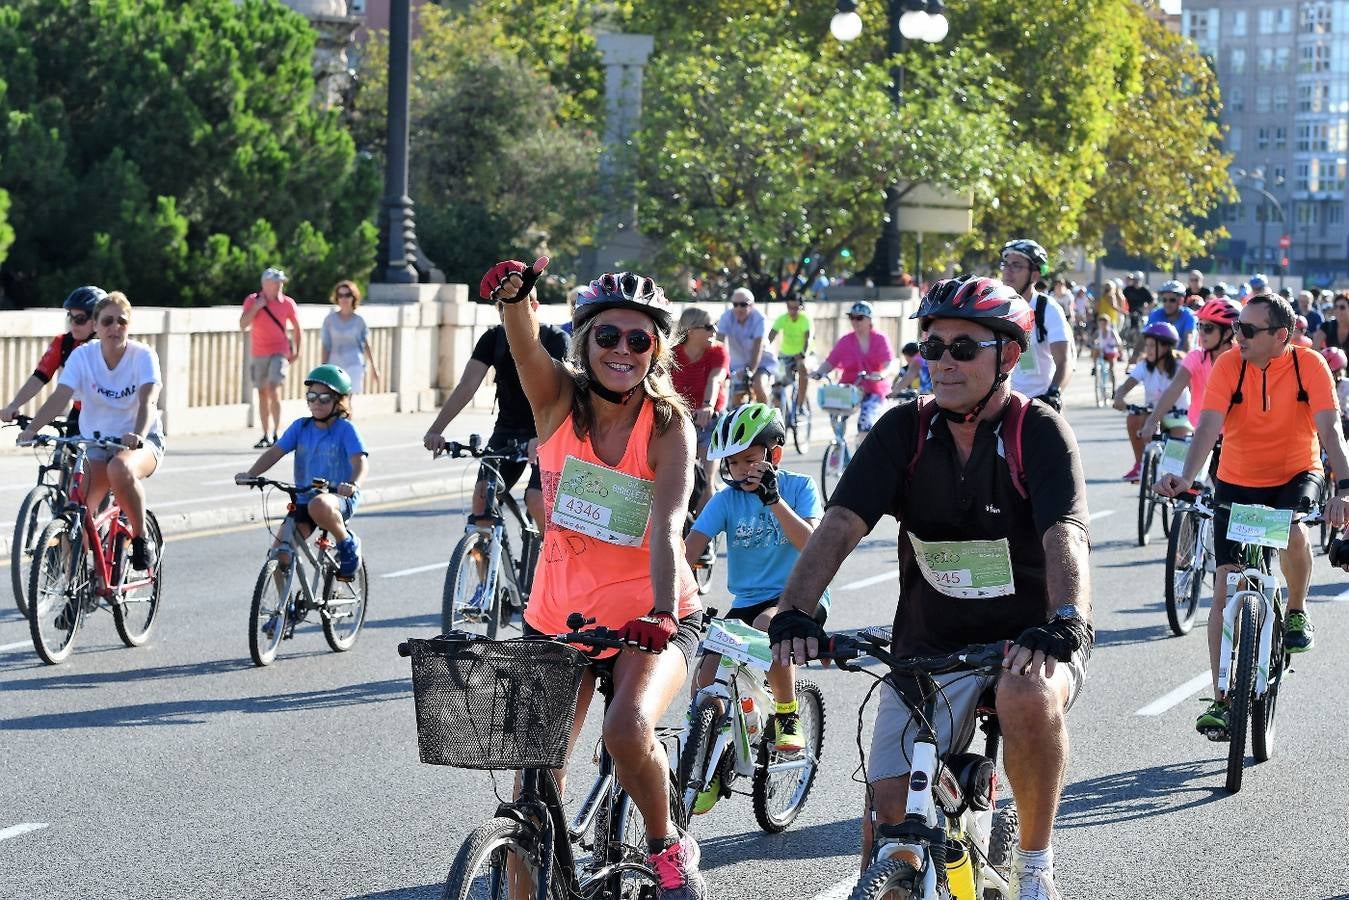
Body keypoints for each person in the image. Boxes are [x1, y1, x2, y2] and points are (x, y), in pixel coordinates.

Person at [769, 274, 1091, 900]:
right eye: (931, 346)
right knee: (893, 811)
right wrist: (795, 612)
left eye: (963, 348)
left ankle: (1035, 868)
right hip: (927, 642)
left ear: (1009, 357)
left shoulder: (1039, 431)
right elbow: (838, 526)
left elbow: (1066, 534)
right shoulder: (902, 431)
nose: (942, 362)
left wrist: (1065, 618)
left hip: (1028, 640)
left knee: (1027, 696)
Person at [484, 258, 705, 900]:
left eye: (639, 339)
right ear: (585, 341)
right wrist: (517, 299)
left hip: (652, 619)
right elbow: (524, 345)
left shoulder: (668, 426)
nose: (622, 351)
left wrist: (663, 612)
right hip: (560, 620)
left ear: (657, 348)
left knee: (626, 728)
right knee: (533, 790)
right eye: (608, 336)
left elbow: (667, 527)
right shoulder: (557, 401)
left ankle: (666, 845)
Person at [1155, 293, 1349, 738]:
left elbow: (1330, 430)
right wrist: (1186, 476)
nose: (1237, 336)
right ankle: (1222, 700)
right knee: (1224, 587)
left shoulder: (1309, 366)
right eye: (1236, 327)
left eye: (1248, 330)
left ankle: (1296, 611)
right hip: (1237, 479)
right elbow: (1208, 427)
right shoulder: (1228, 365)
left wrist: (1347, 487)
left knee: (1295, 528)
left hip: (1295, 474)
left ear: (1281, 336)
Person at [682, 403, 826, 811]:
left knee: (768, 625)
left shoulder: (798, 488)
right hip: (745, 600)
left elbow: (812, 548)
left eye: (750, 460)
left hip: (798, 595)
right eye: (733, 462)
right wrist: (675, 598)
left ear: (773, 455)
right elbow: (688, 552)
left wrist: (775, 501)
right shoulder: (726, 501)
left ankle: (786, 713)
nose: (741, 470)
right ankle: (705, 759)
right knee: (707, 671)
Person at [17, 292, 165, 572]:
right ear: (95, 326)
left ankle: (141, 538)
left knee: (120, 470)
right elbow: (60, 397)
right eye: (107, 321)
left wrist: (137, 435)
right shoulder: (82, 356)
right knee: (78, 511)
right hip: (95, 443)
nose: (114, 327)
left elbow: (148, 401)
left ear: (129, 326)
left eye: (121, 321)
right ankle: (74, 589)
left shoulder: (143, 356)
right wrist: (32, 430)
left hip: (140, 441)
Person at [423, 291, 568, 530]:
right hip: (508, 429)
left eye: (516, 307)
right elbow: (467, 386)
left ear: (534, 306)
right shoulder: (493, 339)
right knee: (482, 502)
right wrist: (436, 430)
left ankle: (552, 559)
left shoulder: (555, 339)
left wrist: (543, 438)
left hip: (549, 429)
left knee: (536, 499)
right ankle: (483, 561)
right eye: (503, 307)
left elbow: (566, 396)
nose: (508, 314)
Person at [234, 365, 366, 578]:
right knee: (278, 555)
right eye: (311, 396)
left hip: (338, 499)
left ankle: (347, 543)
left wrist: (353, 484)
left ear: (339, 401)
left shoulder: (345, 430)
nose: (316, 403)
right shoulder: (301, 427)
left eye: (324, 398)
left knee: (319, 504)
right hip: (306, 499)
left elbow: (360, 462)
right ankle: (281, 610)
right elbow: (275, 452)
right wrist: (252, 474)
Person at [1140, 298, 1242, 460]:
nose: (1201, 333)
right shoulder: (1196, 357)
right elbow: (1174, 389)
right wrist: (1152, 421)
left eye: (1208, 328)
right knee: (1181, 479)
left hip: (1234, 437)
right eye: (1199, 325)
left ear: (1228, 332)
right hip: (1200, 432)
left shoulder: (1242, 359)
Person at [1, 285, 102, 431]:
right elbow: (39, 377)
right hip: (79, 412)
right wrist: (13, 405)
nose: (73, 324)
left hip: (109, 416)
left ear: (98, 320)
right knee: (64, 450)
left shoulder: (108, 347)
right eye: (70, 318)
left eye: (80, 319)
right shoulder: (63, 343)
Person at [1113, 321, 1191, 482]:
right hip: (1152, 414)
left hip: (1179, 416)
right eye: (1146, 346)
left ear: (1166, 347)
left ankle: (1174, 479)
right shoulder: (1143, 366)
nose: (1146, 350)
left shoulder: (1181, 365)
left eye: (1150, 346)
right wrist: (1119, 397)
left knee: (1174, 460)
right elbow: (1125, 386)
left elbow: (1196, 389)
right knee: (1133, 417)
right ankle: (1140, 463)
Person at [1001, 239, 1072, 411]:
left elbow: (1064, 361)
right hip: (1003, 404)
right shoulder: (997, 307)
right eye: (1006, 264)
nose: (1008, 271)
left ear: (1034, 275)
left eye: (1016, 266)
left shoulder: (1048, 309)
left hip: (1040, 404)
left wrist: (1054, 394)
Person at [672, 306, 729, 512]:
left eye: (715, 325)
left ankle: (705, 537)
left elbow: (715, 379)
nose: (714, 330)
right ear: (691, 331)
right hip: (679, 419)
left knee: (706, 479)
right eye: (708, 326)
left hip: (709, 419)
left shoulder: (718, 351)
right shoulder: (671, 354)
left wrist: (707, 406)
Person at [240, 267, 301, 448]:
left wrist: (297, 350)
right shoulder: (252, 300)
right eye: (276, 282)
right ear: (265, 284)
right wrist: (257, 307)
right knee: (262, 392)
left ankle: (277, 431)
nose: (280, 286)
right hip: (259, 352)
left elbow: (298, 327)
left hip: (280, 351)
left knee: (274, 387)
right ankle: (266, 433)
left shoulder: (288, 303)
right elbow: (243, 324)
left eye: (281, 282)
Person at [813, 301, 894, 433]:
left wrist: (882, 374)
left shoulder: (880, 339)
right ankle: (840, 448)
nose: (855, 321)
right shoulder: (845, 340)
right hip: (849, 388)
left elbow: (889, 363)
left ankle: (864, 452)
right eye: (852, 317)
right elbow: (830, 362)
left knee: (865, 424)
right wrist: (819, 372)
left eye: (859, 318)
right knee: (835, 417)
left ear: (869, 320)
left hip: (873, 389)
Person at [717, 287, 775, 405]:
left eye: (743, 304)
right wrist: (719, 368)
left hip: (761, 362)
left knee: (759, 386)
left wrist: (751, 372)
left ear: (752, 305)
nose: (739, 308)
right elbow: (719, 344)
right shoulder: (726, 317)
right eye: (735, 304)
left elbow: (758, 347)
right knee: (736, 397)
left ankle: (766, 420)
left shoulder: (760, 319)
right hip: (738, 364)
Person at [321, 281, 381, 394]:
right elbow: (325, 345)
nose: (344, 299)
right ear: (337, 298)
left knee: (348, 399)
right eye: (340, 295)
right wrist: (323, 368)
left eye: (347, 295)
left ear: (353, 297)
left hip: (354, 364)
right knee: (335, 400)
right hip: (334, 365)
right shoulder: (329, 320)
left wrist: (374, 367)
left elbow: (367, 345)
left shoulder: (359, 320)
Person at [768, 295, 812, 413]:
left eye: (795, 308)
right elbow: (771, 334)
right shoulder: (783, 318)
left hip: (799, 354)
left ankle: (800, 405)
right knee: (778, 382)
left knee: (803, 370)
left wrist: (802, 353)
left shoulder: (805, 319)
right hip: (784, 355)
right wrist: (765, 348)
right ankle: (779, 413)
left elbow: (808, 338)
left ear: (801, 307)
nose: (792, 310)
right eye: (789, 307)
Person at [1143, 281, 1197, 353]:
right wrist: (1134, 359)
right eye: (1164, 300)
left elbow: (1189, 342)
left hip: (1183, 358)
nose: (1167, 304)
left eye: (1172, 300)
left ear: (1181, 301)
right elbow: (1143, 339)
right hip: (1161, 358)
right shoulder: (1156, 314)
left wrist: (1182, 360)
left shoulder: (1189, 316)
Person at [1092, 314, 1123, 386]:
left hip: (1111, 352)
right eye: (1101, 323)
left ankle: (1113, 388)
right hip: (1102, 351)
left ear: (1107, 323)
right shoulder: (1098, 332)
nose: (1102, 325)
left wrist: (1117, 345)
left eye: (1104, 323)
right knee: (1095, 350)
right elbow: (1092, 340)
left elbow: (1118, 341)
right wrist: (1093, 343)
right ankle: (1095, 368)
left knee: (1111, 370)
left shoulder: (1112, 332)